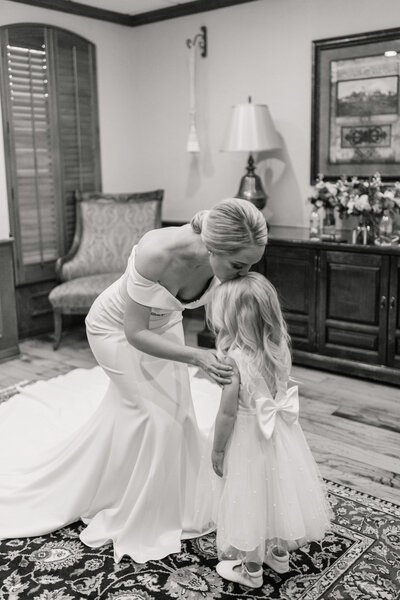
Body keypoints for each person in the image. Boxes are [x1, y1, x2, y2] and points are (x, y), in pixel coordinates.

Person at [0, 197, 267, 565]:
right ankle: (136, 508)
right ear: (212, 247)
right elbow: (135, 332)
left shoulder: (220, 253)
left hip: (165, 325)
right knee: (154, 418)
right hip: (115, 331)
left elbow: (208, 309)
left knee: (183, 415)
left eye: (250, 266)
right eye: (239, 266)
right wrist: (197, 357)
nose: (242, 274)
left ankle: (172, 500)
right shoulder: (156, 252)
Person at [206, 272, 332, 589]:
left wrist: (218, 448)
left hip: (249, 438)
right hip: (280, 435)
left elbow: (226, 412)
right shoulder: (280, 347)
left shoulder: (234, 361)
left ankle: (251, 570)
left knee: (249, 500)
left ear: (232, 319)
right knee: (278, 491)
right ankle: (278, 554)